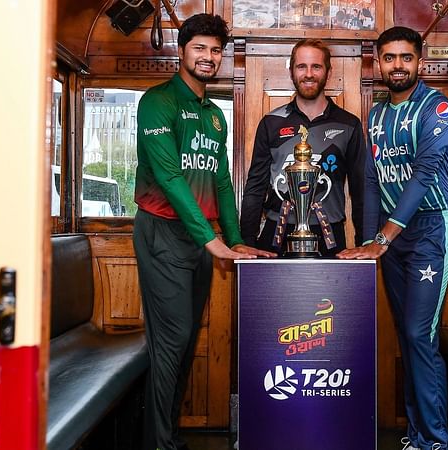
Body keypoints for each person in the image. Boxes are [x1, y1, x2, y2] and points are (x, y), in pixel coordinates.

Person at [132, 13, 275, 450]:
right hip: (162, 232)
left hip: (200, 239)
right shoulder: (157, 102)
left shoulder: (215, 116)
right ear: (182, 51)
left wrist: (234, 240)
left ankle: (169, 437)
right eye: (200, 48)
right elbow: (171, 177)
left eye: (216, 50)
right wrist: (211, 241)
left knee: (187, 338)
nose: (209, 57)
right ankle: (161, 444)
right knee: (171, 341)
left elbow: (221, 181)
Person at [338, 26, 448, 450]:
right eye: (388, 58)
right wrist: (371, 239)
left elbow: (425, 174)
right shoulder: (375, 116)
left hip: (430, 230)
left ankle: (436, 442)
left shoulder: (436, 107)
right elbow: (371, 181)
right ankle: (417, 434)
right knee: (408, 337)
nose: (397, 65)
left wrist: (383, 238)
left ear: (419, 62)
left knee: (418, 334)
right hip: (391, 237)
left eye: (405, 57)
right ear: (378, 62)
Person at [240, 38, 366, 257]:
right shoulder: (271, 122)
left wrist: (365, 241)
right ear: (292, 72)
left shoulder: (349, 124)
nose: (308, 74)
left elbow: (361, 190)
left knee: (329, 293)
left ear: (328, 71)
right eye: (301, 66)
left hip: (330, 236)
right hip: (276, 233)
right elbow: (255, 186)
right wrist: (248, 240)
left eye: (316, 66)